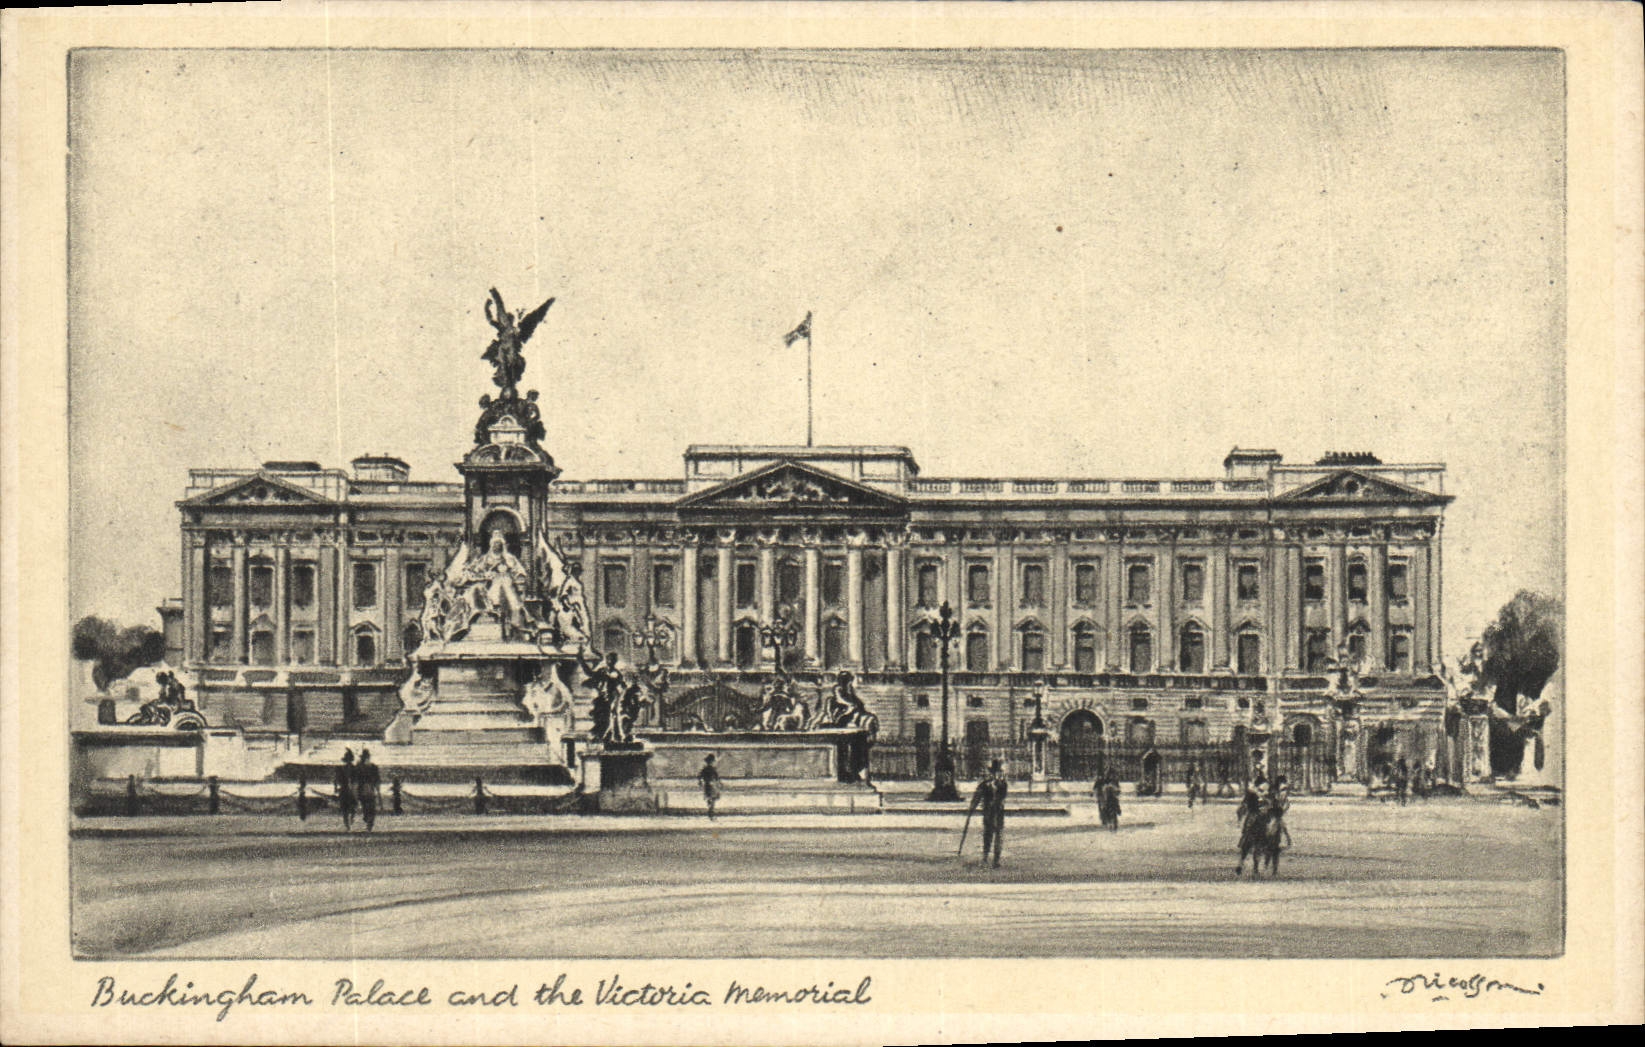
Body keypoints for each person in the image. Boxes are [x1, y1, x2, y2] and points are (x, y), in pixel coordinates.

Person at [968, 758, 1009, 867]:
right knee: (987, 835)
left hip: (998, 813)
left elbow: (1002, 797)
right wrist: (972, 807)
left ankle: (996, 859)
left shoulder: (1002, 784)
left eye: (998, 772)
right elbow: (977, 796)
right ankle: (985, 857)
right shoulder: (984, 785)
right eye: (994, 772)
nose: (996, 775)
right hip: (988, 813)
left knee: (999, 835)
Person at [334, 749, 357, 831]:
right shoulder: (354, 768)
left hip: (345, 789)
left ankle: (348, 824)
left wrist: (336, 788)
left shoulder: (342, 769)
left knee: (345, 809)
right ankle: (350, 821)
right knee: (352, 807)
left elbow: (336, 780)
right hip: (349, 789)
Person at [698, 754, 723, 820]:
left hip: (707, 785)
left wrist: (700, 782)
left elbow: (700, 776)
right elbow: (717, 778)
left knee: (710, 798)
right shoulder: (712, 769)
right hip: (712, 786)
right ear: (712, 762)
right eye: (713, 761)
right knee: (712, 799)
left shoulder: (705, 769)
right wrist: (719, 783)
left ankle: (710, 811)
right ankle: (711, 812)